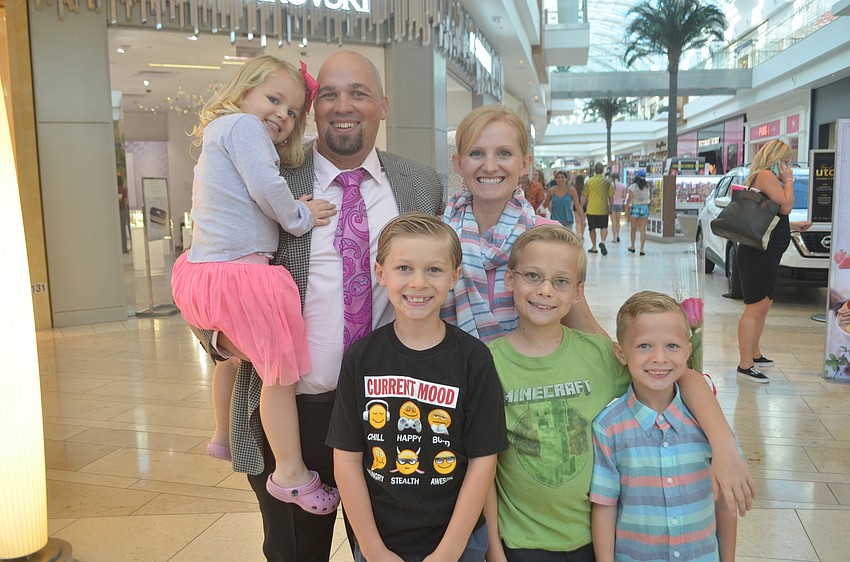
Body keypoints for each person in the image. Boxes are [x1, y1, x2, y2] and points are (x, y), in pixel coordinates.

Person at [192, 51, 445, 561]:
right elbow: (210, 262)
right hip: (291, 411)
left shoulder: (422, 185)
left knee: (388, 550)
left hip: (391, 411)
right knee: (293, 553)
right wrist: (224, 341)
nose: (342, 105)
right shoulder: (269, 169)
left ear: (383, 105)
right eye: (328, 93)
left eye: (358, 93)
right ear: (313, 107)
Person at [483, 226, 753, 562]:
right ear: (510, 280)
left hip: (592, 542)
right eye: (533, 276)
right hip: (520, 543)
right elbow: (484, 466)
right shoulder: (487, 363)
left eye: (561, 281)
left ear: (578, 291)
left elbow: (680, 376)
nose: (545, 291)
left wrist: (723, 443)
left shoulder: (597, 355)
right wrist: (493, 550)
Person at [171, 56, 342, 513]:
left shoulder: (222, 133)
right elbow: (267, 187)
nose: (282, 116)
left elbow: (253, 192)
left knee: (230, 361)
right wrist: (301, 215)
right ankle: (289, 472)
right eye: (274, 99)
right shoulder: (244, 128)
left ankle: (221, 434)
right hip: (239, 274)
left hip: (204, 270)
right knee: (279, 373)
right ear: (243, 92)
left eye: (292, 112)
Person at [327, 213, 508, 561]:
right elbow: (346, 460)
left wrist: (450, 550)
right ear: (381, 273)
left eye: (435, 270)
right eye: (404, 268)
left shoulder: (474, 360)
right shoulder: (361, 359)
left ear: (455, 276)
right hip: (379, 540)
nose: (419, 283)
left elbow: (484, 460)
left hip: (459, 542)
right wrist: (373, 549)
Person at [590, 291, 739, 562]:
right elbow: (605, 505)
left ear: (687, 351)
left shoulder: (708, 423)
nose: (659, 358)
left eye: (671, 346)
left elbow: (724, 499)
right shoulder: (608, 429)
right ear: (621, 353)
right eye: (644, 346)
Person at [441, 104, 603, 343]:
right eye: (476, 153)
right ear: (458, 163)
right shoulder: (439, 237)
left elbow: (584, 327)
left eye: (504, 153)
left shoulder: (548, 237)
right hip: (453, 375)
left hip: (530, 376)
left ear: (524, 163)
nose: (490, 166)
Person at [735, 140, 811, 383]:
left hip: (766, 251)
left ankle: (754, 354)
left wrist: (793, 226)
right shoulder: (766, 175)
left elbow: (772, 216)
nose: (788, 166)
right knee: (755, 305)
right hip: (758, 253)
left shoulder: (766, 178)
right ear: (775, 159)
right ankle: (745, 364)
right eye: (786, 161)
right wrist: (789, 181)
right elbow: (786, 206)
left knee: (764, 304)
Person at [581, 163, 613, 255]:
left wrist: (581, 206)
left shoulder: (589, 181)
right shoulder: (607, 182)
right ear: (603, 170)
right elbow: (611, 196)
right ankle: (602, 242)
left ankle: (594, 247)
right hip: (603, 209)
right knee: (604, 227)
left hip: (591, 209)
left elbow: (584, 195)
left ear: (594, 170)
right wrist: (611, 207)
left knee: (592, 229)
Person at [625, 169, 651, 256]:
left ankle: (632, 246)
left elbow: (629, 199)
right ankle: (642, 249)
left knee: (633, 229)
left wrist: (626, 209)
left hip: (635, 207)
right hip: (644, 207)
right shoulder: (647, 186)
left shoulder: (632, 187)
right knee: (643, 229)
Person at [608, 172, 626, 243]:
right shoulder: (622, 185)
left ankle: (614, 237)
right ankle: (618, 235)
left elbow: (608, 196)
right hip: (619, 204)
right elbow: (624, 196)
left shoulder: (610, 185)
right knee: (618, 221)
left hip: (611, 204)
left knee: (613, 222)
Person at [574, 174, 587, 238]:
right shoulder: (585, 188)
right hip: (584, 205)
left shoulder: (574, 188)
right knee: (583, 220)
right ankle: (582, 234)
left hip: (575, 205)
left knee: (577, 221)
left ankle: (578, 233)